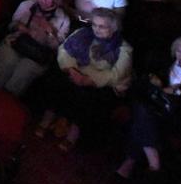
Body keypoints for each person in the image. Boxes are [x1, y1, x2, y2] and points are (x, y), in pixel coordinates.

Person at [117, 35, 181, 179]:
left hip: (175, 114)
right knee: (143, 110)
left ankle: (130, 161)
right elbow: (146, 78)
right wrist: (154, 82)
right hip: (154, 104)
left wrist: (176, 91)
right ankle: (153, 161)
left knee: (142, 115)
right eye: (179, 52)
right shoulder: (165, 62)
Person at [37, 8, 133, 151]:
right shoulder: (82, 33)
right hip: (75, 72)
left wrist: (88, 80)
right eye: (94, 24)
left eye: (102, 26)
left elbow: (116, 75)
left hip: (100, 83)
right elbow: (64, 50)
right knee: (56, 80)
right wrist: (71, 69)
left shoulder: (123, 48)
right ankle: (47, 118)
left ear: (114, 28)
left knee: (89, 97)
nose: (96, 29)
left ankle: (72, 134)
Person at [0, 0, 71, 96]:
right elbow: (11, 25)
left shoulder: (63, 18)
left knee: (23, 72)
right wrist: (19, 26)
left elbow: (57, 46)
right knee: (7, 61)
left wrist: (50, 31)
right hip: (18, 41)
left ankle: (8, 98)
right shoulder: (27, 5)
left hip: (39, 52)